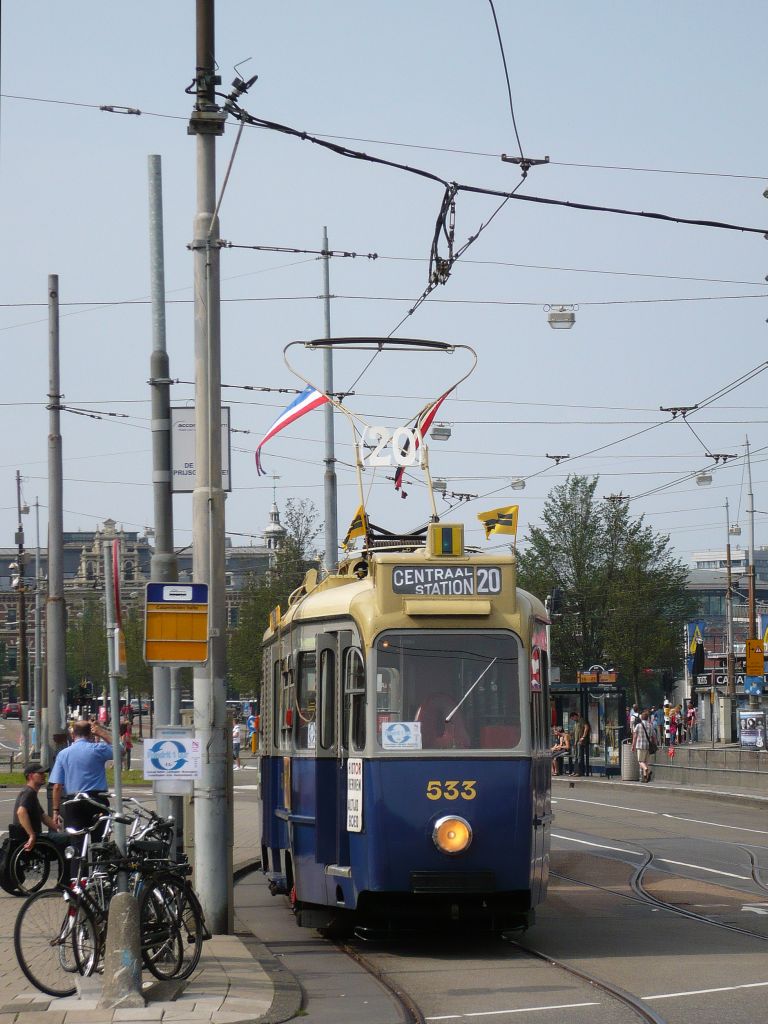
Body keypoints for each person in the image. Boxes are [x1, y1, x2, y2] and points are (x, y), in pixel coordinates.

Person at [49, 720, 120, 837]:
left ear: (73, 735)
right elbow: (120, 750)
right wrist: (103, 734)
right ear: (90, 735)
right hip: (97, 800)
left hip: (74, 802)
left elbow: (57, 786)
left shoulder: (63, 754)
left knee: (76, 839)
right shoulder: (97, 749)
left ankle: (79, 853)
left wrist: (56, 811)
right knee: (99, 838)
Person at [12, 763, 61, 851]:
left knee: (63, 836)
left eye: (44, 773)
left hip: (34, 836)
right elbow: (21, 812)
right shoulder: (28, 792)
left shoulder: (31, 793)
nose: (44, 775)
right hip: (29, 837)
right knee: (68, 839)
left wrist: (57, 827)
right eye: (40, 774)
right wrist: (31, 835)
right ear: (31, 776)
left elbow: (43, 816)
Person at [632, 709, 654, 783]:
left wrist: (633, 745)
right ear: (647, 718)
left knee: (640, 761)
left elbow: (635, 736)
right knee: (646, 761)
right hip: (648, 746)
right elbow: (652, 736)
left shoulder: (638, 725)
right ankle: (645, 777)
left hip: (640, 746)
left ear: (641, 718)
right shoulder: (650, 725)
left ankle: (647, 770)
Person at [570, 712, 591, 776]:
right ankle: (575, 771)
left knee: (579, 756)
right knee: (575, 756)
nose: (573, 720)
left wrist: (583, 737)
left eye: (573, 718)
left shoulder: (581, 720)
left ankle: (579, 772)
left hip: (580, 741)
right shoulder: (576, 723)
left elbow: (586, 727)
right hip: (576, 742)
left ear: (575, 716)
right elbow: (574, 732)